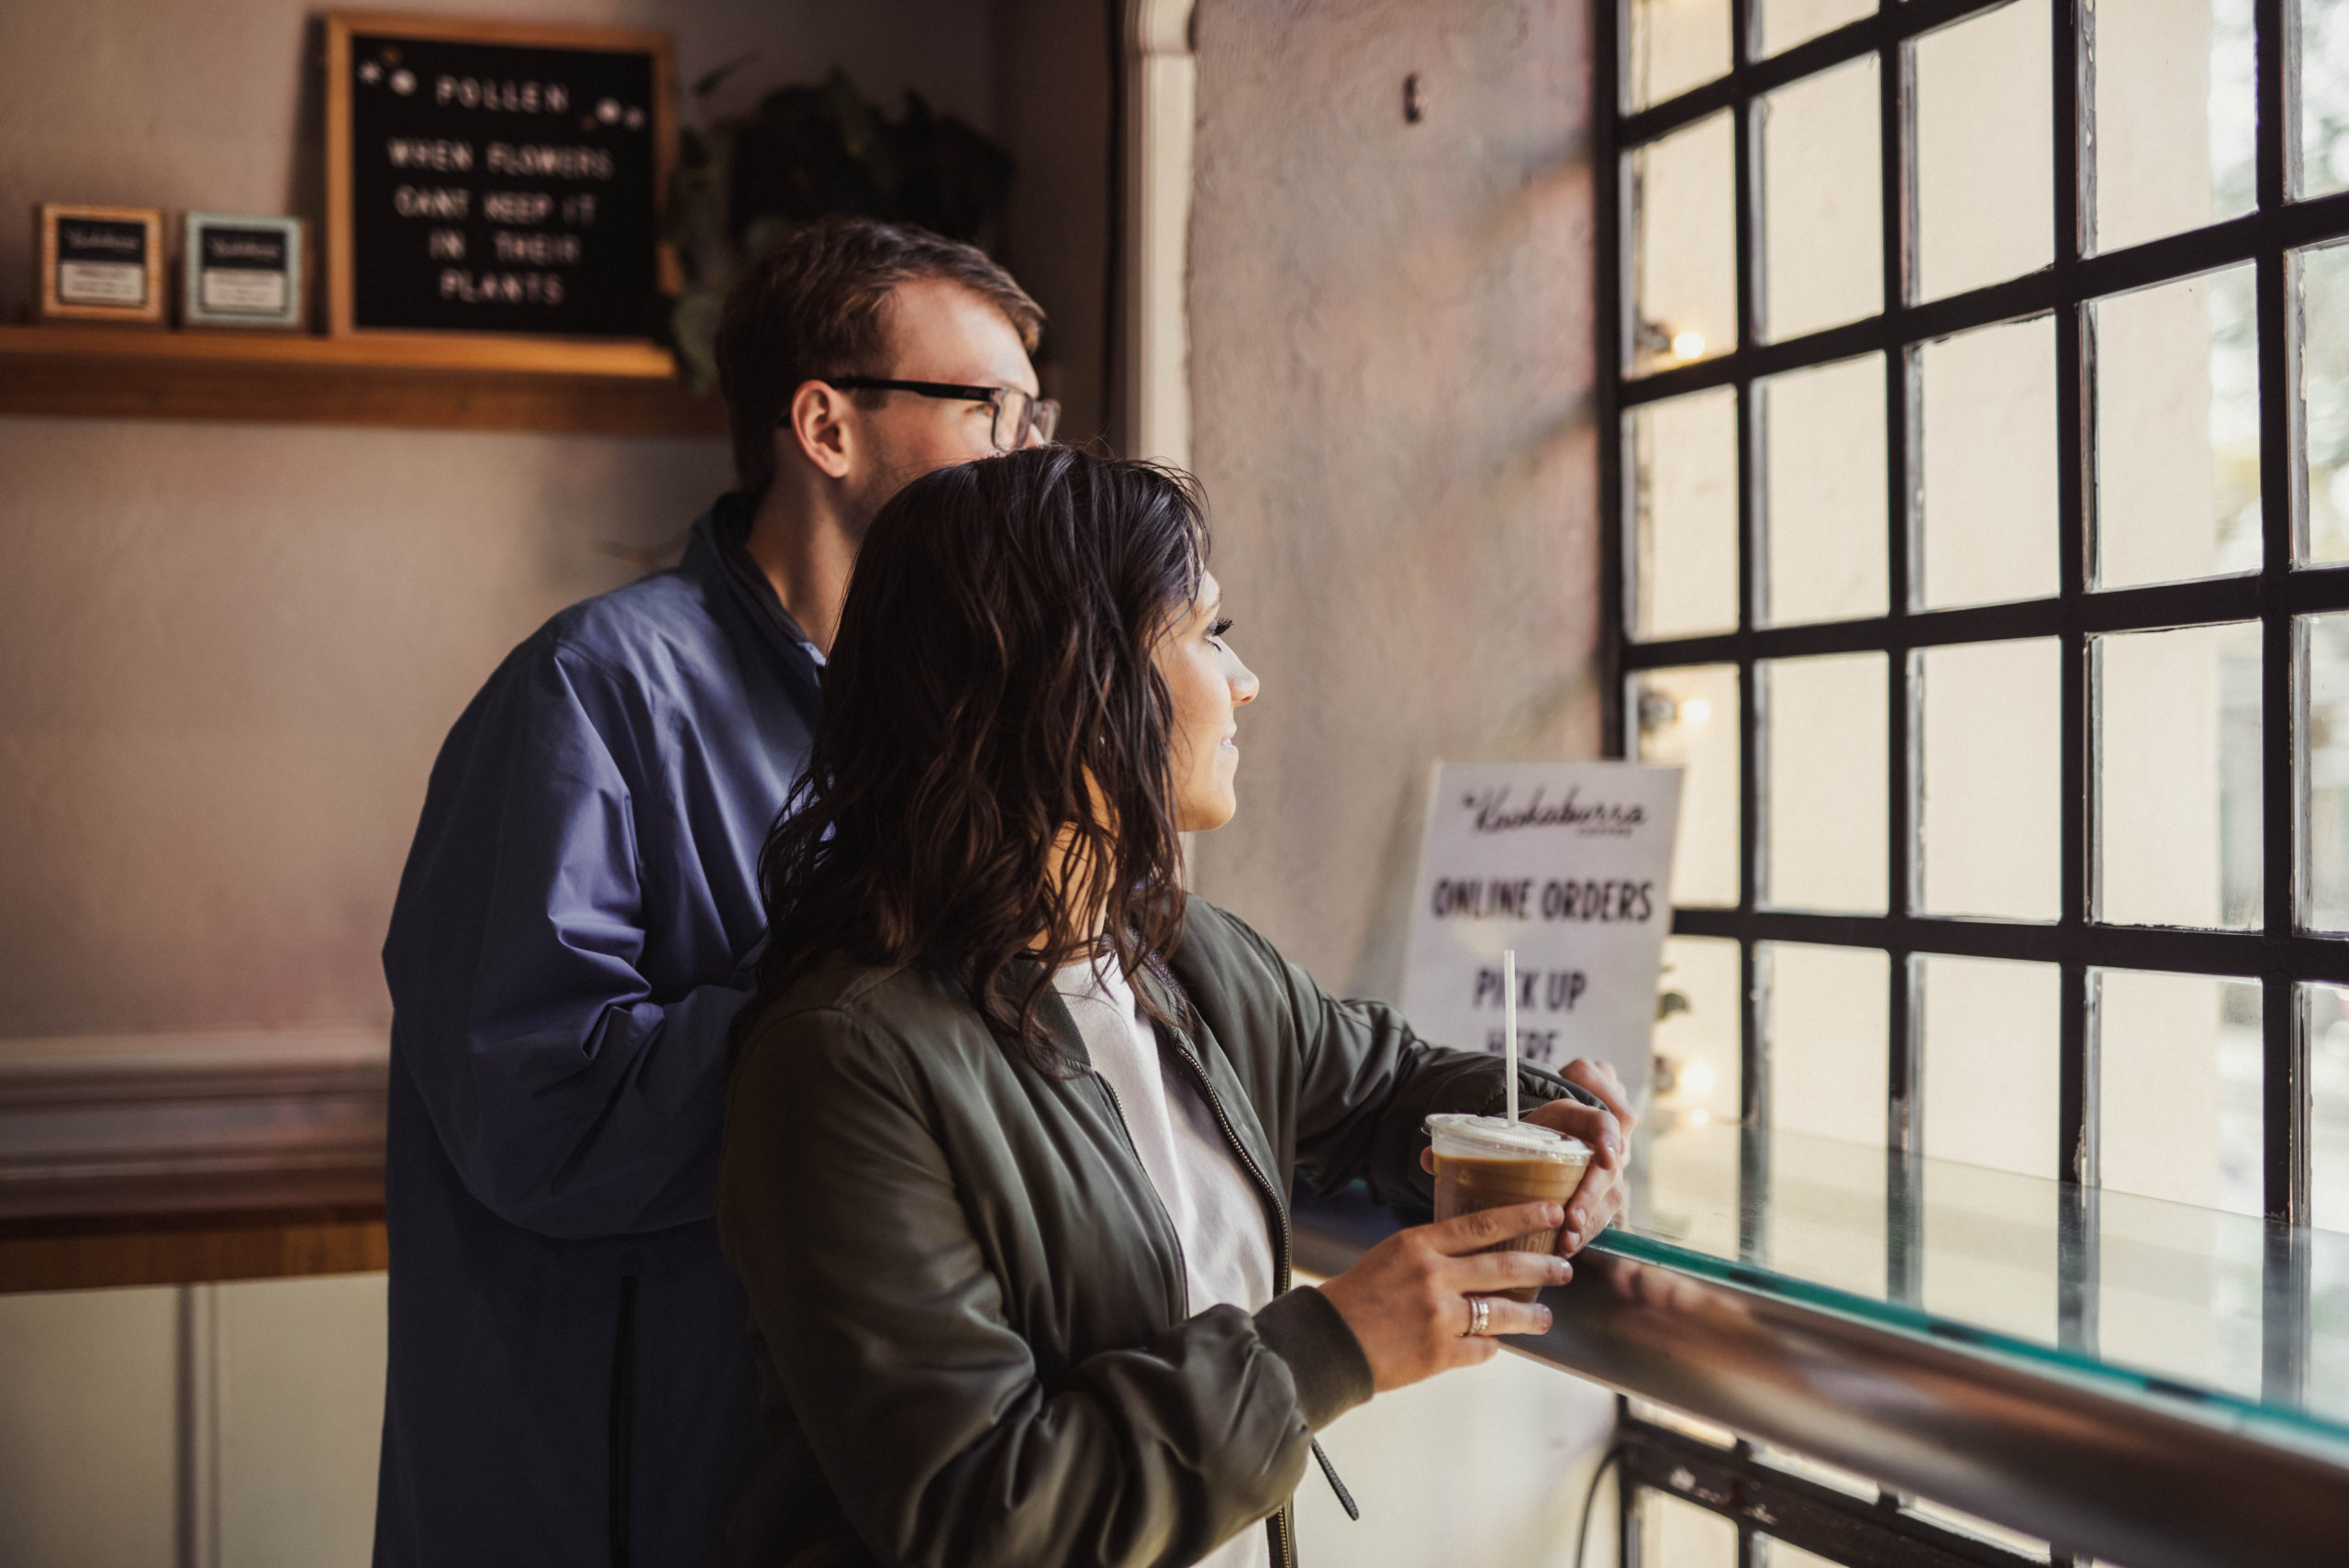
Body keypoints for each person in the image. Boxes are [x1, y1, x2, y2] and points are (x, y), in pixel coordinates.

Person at [718, 448, 1637, 1568]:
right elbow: (984, 1513)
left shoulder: (1180, 956)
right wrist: (1331, 1344)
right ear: (1074, 678)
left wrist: (1547, 1118)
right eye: (1208, 632)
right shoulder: (843, 1061)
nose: (1245, 680)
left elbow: (1383, 1084)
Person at [373, 217, 1059, 1568]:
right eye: (991, 408)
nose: (1028, 456)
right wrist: (876, 961)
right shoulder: (585, 697)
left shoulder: (955, 725)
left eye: (1038, 416)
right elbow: (539, 1119)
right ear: (826, 424)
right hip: (610, 1502)